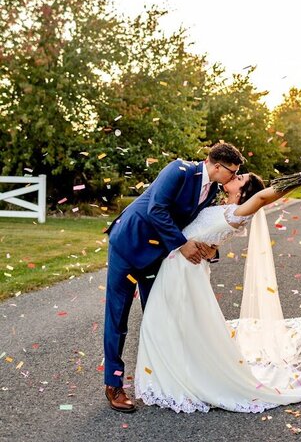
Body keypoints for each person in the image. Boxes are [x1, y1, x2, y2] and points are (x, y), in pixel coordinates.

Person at [134, 172, 301, 413]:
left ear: (245, 193)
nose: (235, 177)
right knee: (168, 323)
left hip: (183, 273)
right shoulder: (224, 208)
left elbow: (264, 197)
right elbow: (208, 238)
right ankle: (172, 372)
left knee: (163, 323)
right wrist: (209, 248)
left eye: (240, 178)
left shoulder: (239, 212)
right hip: (180, 267)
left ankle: (177, 377)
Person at [103, 142, 245, 412]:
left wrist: (209, 249)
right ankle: (113, 384)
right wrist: (182, 245)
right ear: (217, 166)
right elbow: (156, 209)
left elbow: (198, 226)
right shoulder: (178, 170)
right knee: (117, 316)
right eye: (232, 172)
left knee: (160, 314)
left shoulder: (212, 190)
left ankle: (163, 378)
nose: (233, 177)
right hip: (128, 244)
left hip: (158, 256)